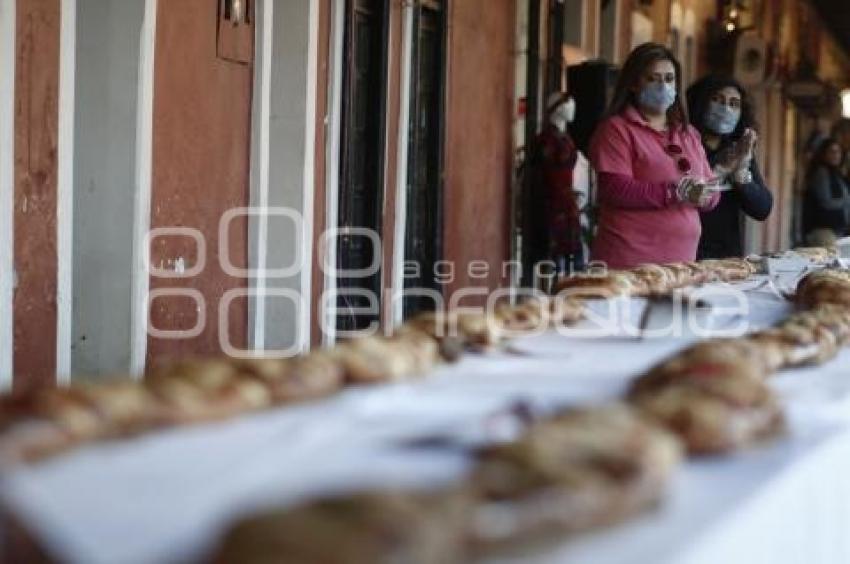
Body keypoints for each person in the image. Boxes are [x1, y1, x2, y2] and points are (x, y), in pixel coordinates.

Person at [588, 43, 718, 269]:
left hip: (682, 263)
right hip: (628, 263)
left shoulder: (689, 134)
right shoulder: (616, 129)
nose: (663, 86)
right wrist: (675, 191)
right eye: (653, 78)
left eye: (669, 79)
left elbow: (710, 193)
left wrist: (706, 194)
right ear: (633, 84)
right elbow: (614, 189)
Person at [686, 75, 773, 259]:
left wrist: (741, 175)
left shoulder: (738, 150)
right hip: (687, 254)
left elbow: (762, 208)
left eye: (734, 104)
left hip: (727, 257)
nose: (725, 109)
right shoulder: (684, 146)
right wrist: (720, 168)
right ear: (701, 102)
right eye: (717, 100)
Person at [532, 92, 583, 275]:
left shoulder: (562, 137)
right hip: (553, 203)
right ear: (559, 108)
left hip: (566, 201)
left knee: (572, 257)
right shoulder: (548, 140)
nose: (573, 110)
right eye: (570, 105)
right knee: (557, 257)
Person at [802, 138, 850, 245]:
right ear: (824, 154)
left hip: (835, 231)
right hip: (822, 231)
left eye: (838, 152)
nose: (836, 155)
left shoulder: (836, 174)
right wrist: (846, 201)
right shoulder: (821, 173)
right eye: (832, 152)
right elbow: (826, 202)